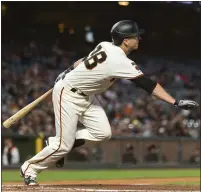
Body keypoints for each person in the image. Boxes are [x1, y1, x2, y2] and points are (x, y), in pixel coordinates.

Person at [20, 20, 199, 186]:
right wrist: (175, 102)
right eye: (135, 36)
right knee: (63, 145)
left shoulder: (105, 45)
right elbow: (148, 84)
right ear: (126, 41)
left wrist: (68, 70)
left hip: (86, 95)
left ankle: (55, 142)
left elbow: (83, 61)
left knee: (102, 133)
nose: (139, 38)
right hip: (67, 94)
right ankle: (30, 169)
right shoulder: (120, 60)